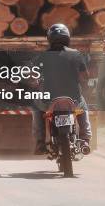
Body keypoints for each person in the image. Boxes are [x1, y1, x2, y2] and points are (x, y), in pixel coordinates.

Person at [31, 23, 92, 155]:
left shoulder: (43, 56)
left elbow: (34, 76)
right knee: (83, 108)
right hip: (73, 99)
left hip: (49, 100)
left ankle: (40, 142)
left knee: (36, 107)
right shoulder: (76, 54)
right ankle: (85, 140)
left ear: (50, 39)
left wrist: (36, 83)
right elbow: (85, 76)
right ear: (67, 38)